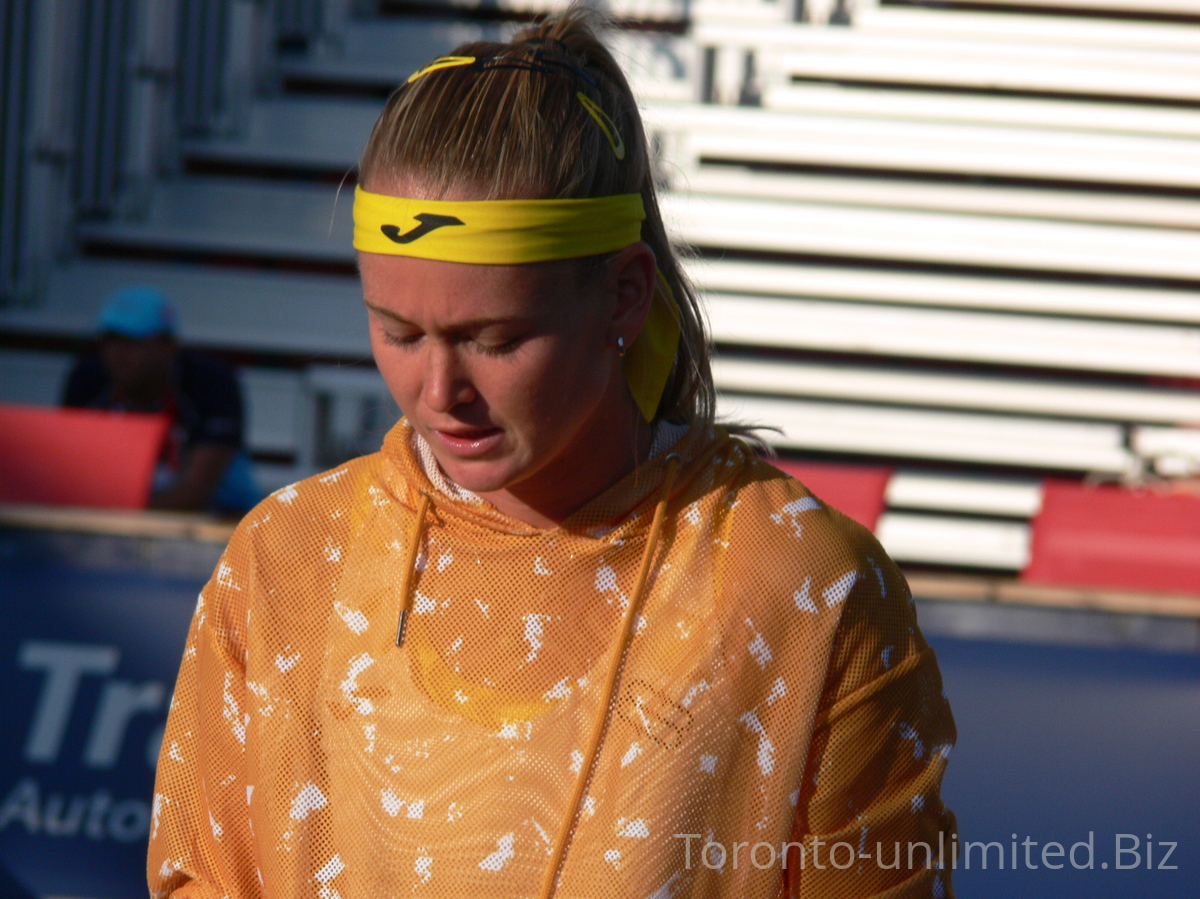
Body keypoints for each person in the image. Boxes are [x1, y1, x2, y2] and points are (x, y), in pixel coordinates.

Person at [147, 9, 956, 898]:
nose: (438, 389)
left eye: (494, 339)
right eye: (398, 330)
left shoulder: (805, 585)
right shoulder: (288, 558)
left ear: (622, 296)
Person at [62, 286, 261, 514]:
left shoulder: (213, 382)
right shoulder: (87, 378)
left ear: (168, 347)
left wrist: (115, 520)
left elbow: (197, 492)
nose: (118, 353)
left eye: (133, 342)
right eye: (110, 340)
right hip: (118, 516)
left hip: (214, 520)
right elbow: (70, 476)